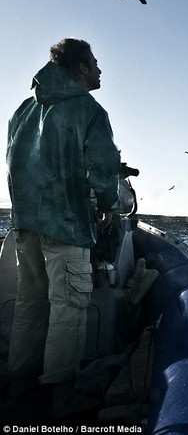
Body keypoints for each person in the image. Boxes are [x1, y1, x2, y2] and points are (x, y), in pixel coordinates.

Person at [5, 38, 121, 418]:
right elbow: (103, 172)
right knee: (68, 308)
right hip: (67, 224)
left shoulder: (23, 110)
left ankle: (19, 385)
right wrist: (108, 207)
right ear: (82, 68)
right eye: (96, 63)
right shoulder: (90, 111)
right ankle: (60, 401)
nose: (100, 70)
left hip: (24, 224)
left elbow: (13, 164)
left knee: (30, 306)